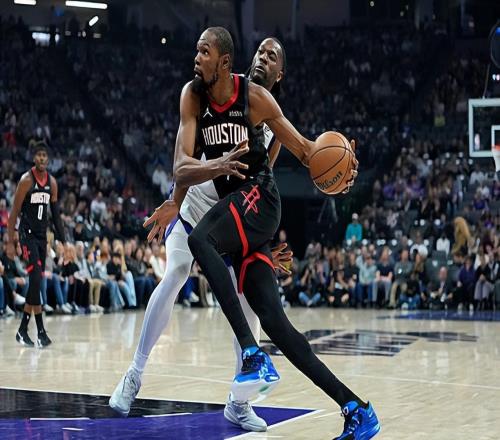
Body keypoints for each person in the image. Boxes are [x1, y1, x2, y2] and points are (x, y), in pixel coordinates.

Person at [174, 27, 377, 439]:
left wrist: (343, 169)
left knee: (199, 240)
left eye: (204, 51)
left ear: (224, 60)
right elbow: (180, 168)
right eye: (196, 50)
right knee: (278, 326)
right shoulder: (193, 97)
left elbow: (306, 149)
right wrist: (215, 169)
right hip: (243, 218)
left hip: (260, 200)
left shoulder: (256, 99)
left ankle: (251, 354)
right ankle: (357, 408)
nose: (196, 57)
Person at [109, 36, 292, 433]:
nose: (263, 58)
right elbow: (185, 158)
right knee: (176, 271)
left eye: (272, 56)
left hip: (230, 220)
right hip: (194, 205)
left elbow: (262, 183)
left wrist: (262, 248)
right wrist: (175, 200)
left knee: (249, 303)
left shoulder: (272, 121)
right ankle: (134, 374)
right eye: (260, 52)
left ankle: (238, 404)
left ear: (280, 74)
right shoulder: (221, 91)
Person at [6, 141, 65, 347]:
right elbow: (13, 213)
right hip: (27, 235)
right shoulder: (26, 181)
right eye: (38, 155)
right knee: (36, 279)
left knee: (36, 281)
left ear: (48, 159)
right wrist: (10, 242)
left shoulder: (52, 183)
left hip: (42, 237)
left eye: (44, 155)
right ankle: (27, 329)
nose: (42, 158)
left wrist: (64, 242)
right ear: (34, 158)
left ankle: (34, 331)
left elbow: (56, 216)